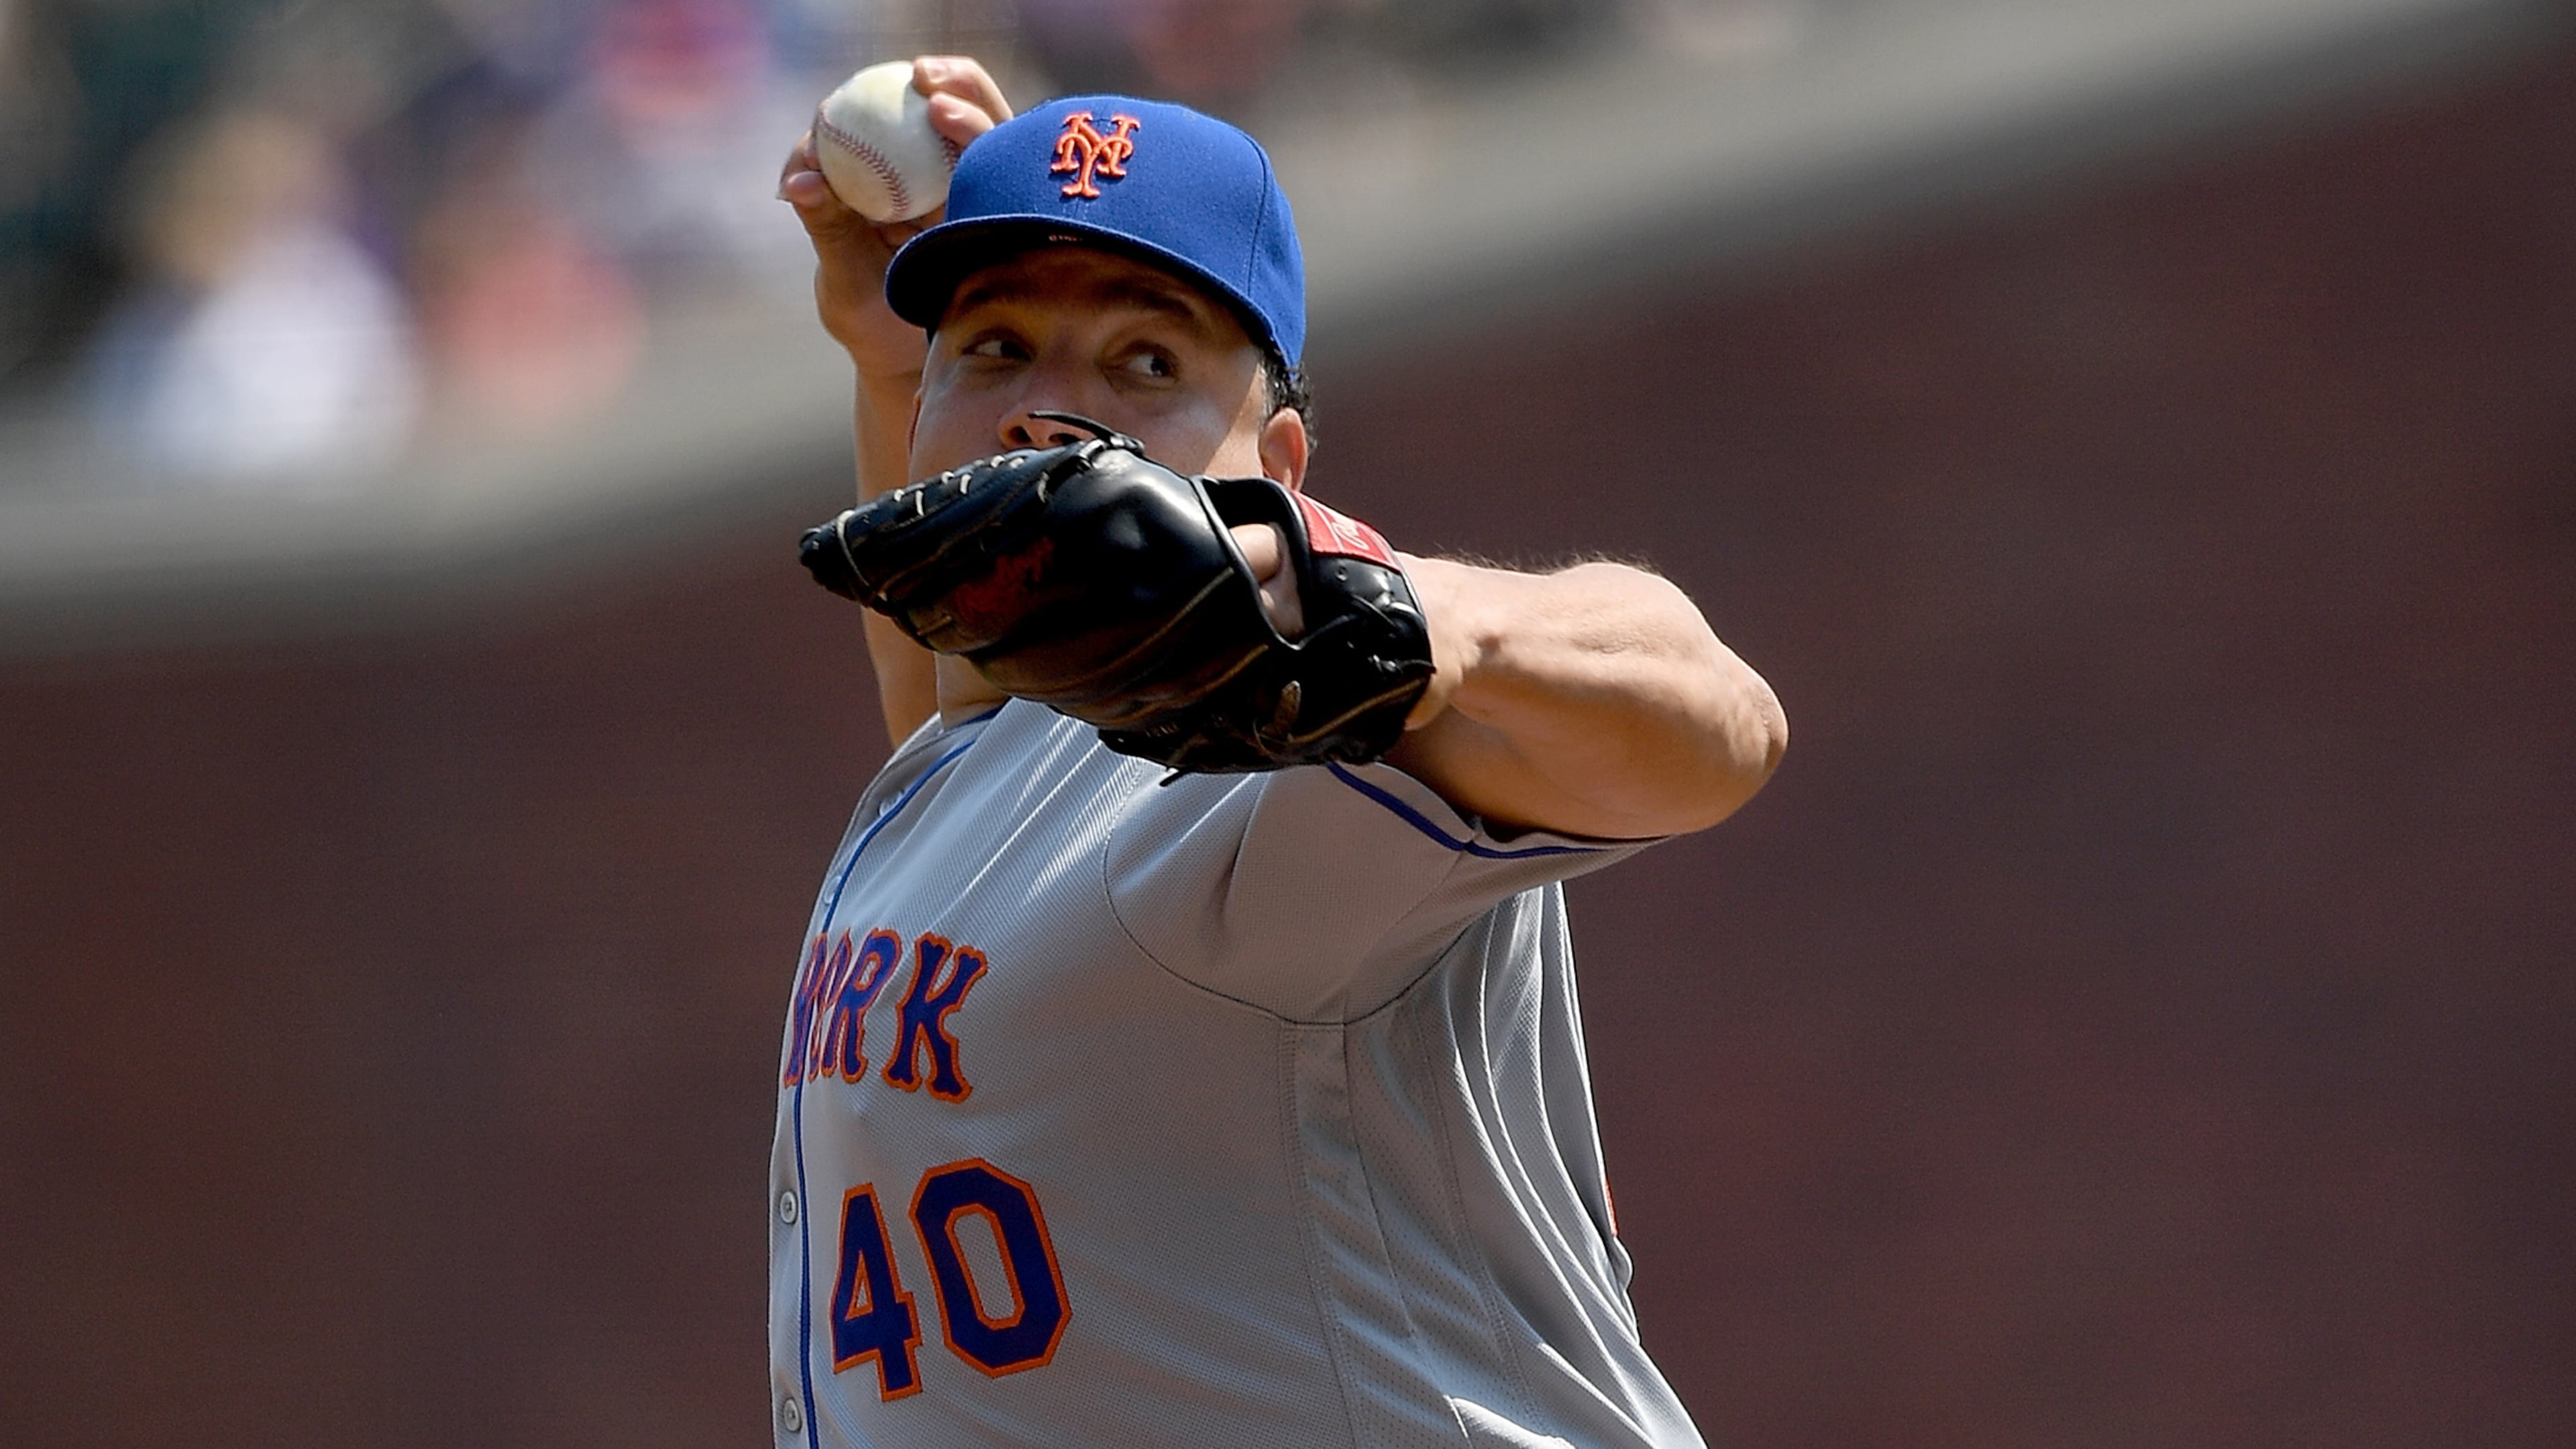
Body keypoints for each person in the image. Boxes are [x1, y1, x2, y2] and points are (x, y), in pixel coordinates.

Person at [769, 56, 1785, 1448]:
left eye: (1147, 361)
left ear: (1280, 462)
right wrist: (890, 356)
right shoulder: (986, 749)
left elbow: (1710, 711)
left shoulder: (1297, 748)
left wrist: (1394, 619)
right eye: (995, 346)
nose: (1048, 410)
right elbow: (963, 688)